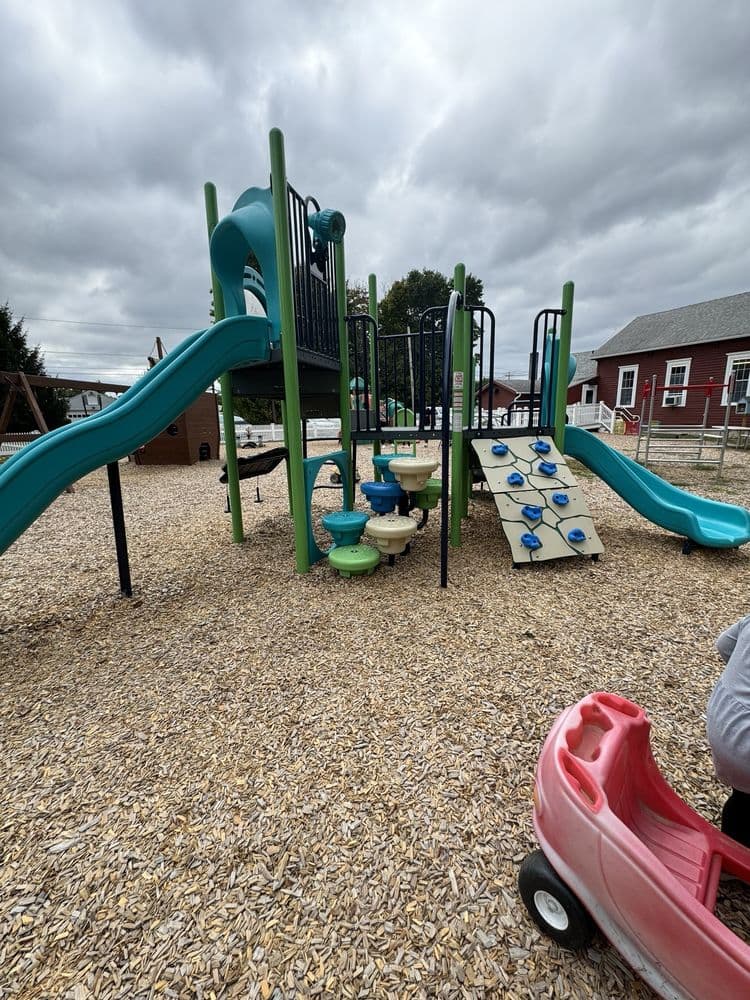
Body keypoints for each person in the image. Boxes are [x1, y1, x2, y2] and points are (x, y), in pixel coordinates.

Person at [706, 614, 750, 848]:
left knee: (743, 798)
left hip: (722, 719)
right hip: (746, 746)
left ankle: (733, 846)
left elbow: (724, 645)